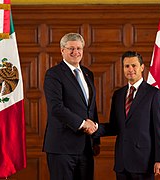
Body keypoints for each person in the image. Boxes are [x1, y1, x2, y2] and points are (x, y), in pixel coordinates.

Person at [95, 51, 160, 180]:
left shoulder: (154, 94)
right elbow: (114, 126)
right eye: (126, 66)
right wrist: (93, 127)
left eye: (134, 65)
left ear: (142, 67)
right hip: (122, 163)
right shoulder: (118, 95)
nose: (130, 69)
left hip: (144, 162)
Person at [43, 32, 100, 180]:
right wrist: (82, 124)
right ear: (62, 50)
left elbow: (90, 108)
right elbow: (56, 107)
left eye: (79, 48)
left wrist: (95, 139)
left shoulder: (88, 73)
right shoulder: (53, 74)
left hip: (86, 147)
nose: (76, 52)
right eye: (71, 49)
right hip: (62, 147)